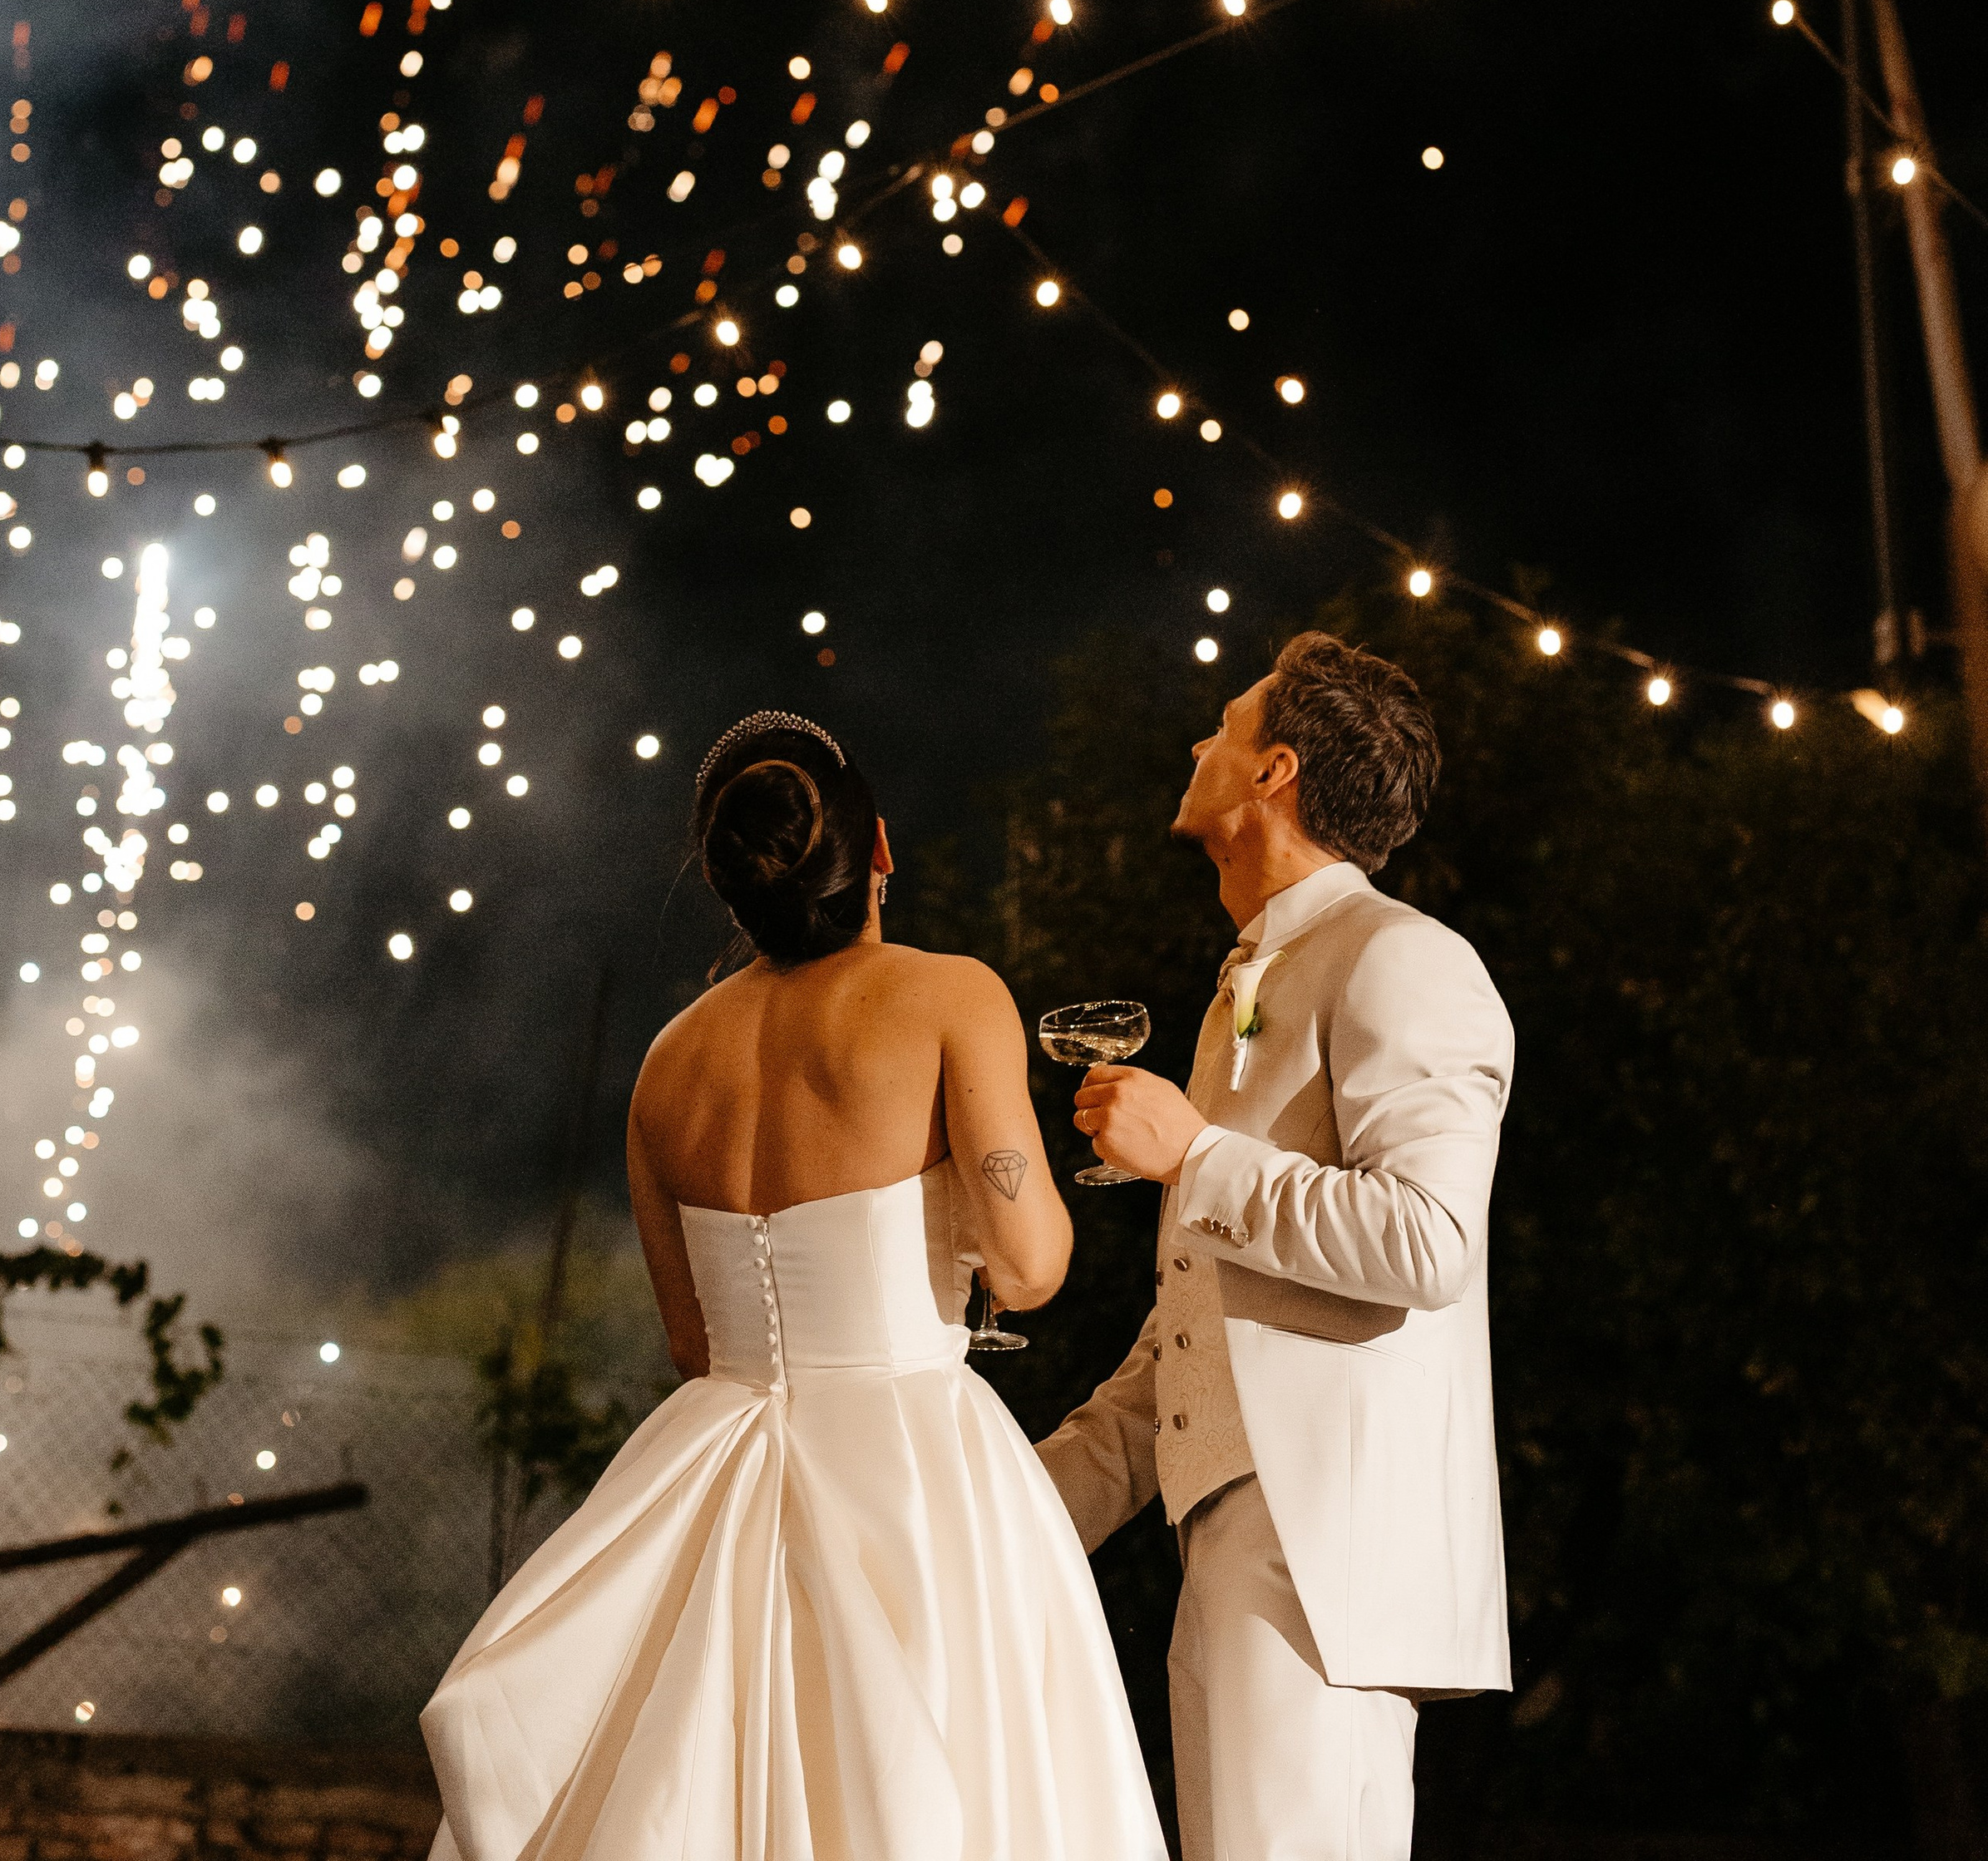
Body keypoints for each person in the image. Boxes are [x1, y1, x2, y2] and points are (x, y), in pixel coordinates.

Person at [423, 708, 1167, 1861]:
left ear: (737, 889)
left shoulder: (667, 1065)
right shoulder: (948, 995)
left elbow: (690, 1338)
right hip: (914, 1469)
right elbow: (1027, 1271)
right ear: (877, 849)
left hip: (715, 1461)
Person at [1035, 632, 1516, 1861]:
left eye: (1226, 725)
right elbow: (1203, 1320)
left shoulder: (1405, 958)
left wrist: (1197, 1156)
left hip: (1329, 1551)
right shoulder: (1250, 982)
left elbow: (1430, 1240)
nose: (1199, 741)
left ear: (1275, 773)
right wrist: (1035, 1502)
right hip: (1232, 1534)